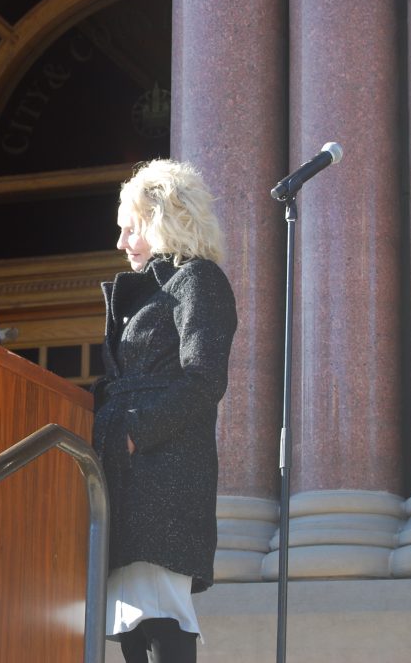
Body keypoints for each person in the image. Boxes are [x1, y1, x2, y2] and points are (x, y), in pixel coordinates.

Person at [93, 160, 237, 663]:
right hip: (125, 472)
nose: (120, 242)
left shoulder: (198, 280)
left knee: (161, 623)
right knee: (133, 624)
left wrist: (133, 433)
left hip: (163, 476)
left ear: (163, 221)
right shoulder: (147, 290)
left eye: (130, 229)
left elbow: (204, 380)